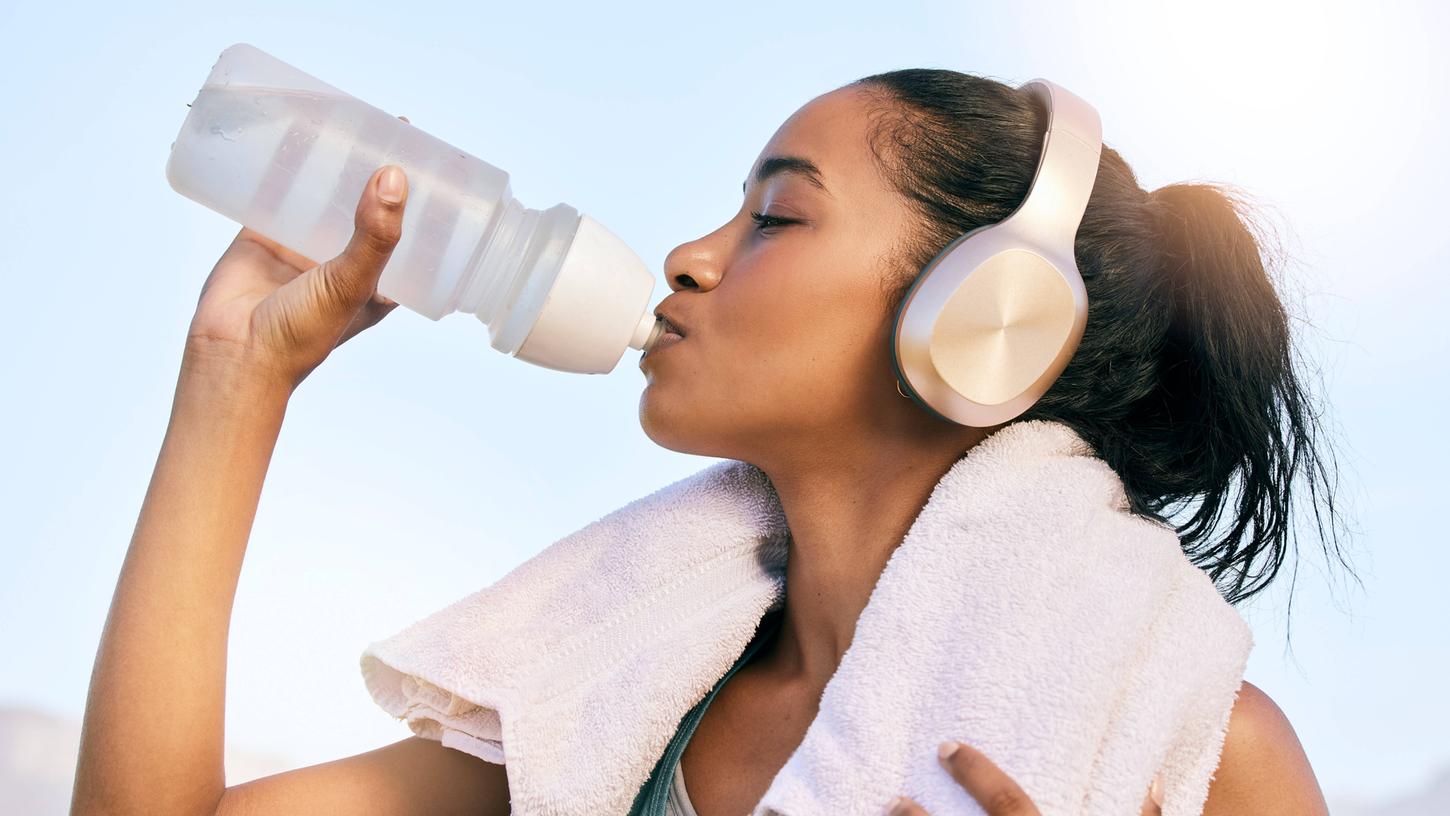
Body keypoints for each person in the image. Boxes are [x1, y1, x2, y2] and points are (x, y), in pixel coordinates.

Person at [71, 70, 1346, 816]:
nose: (689, 255)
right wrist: (235, 380)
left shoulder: (1207, 753)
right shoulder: (611, 705)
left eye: (777, 216)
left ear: (984, 322)